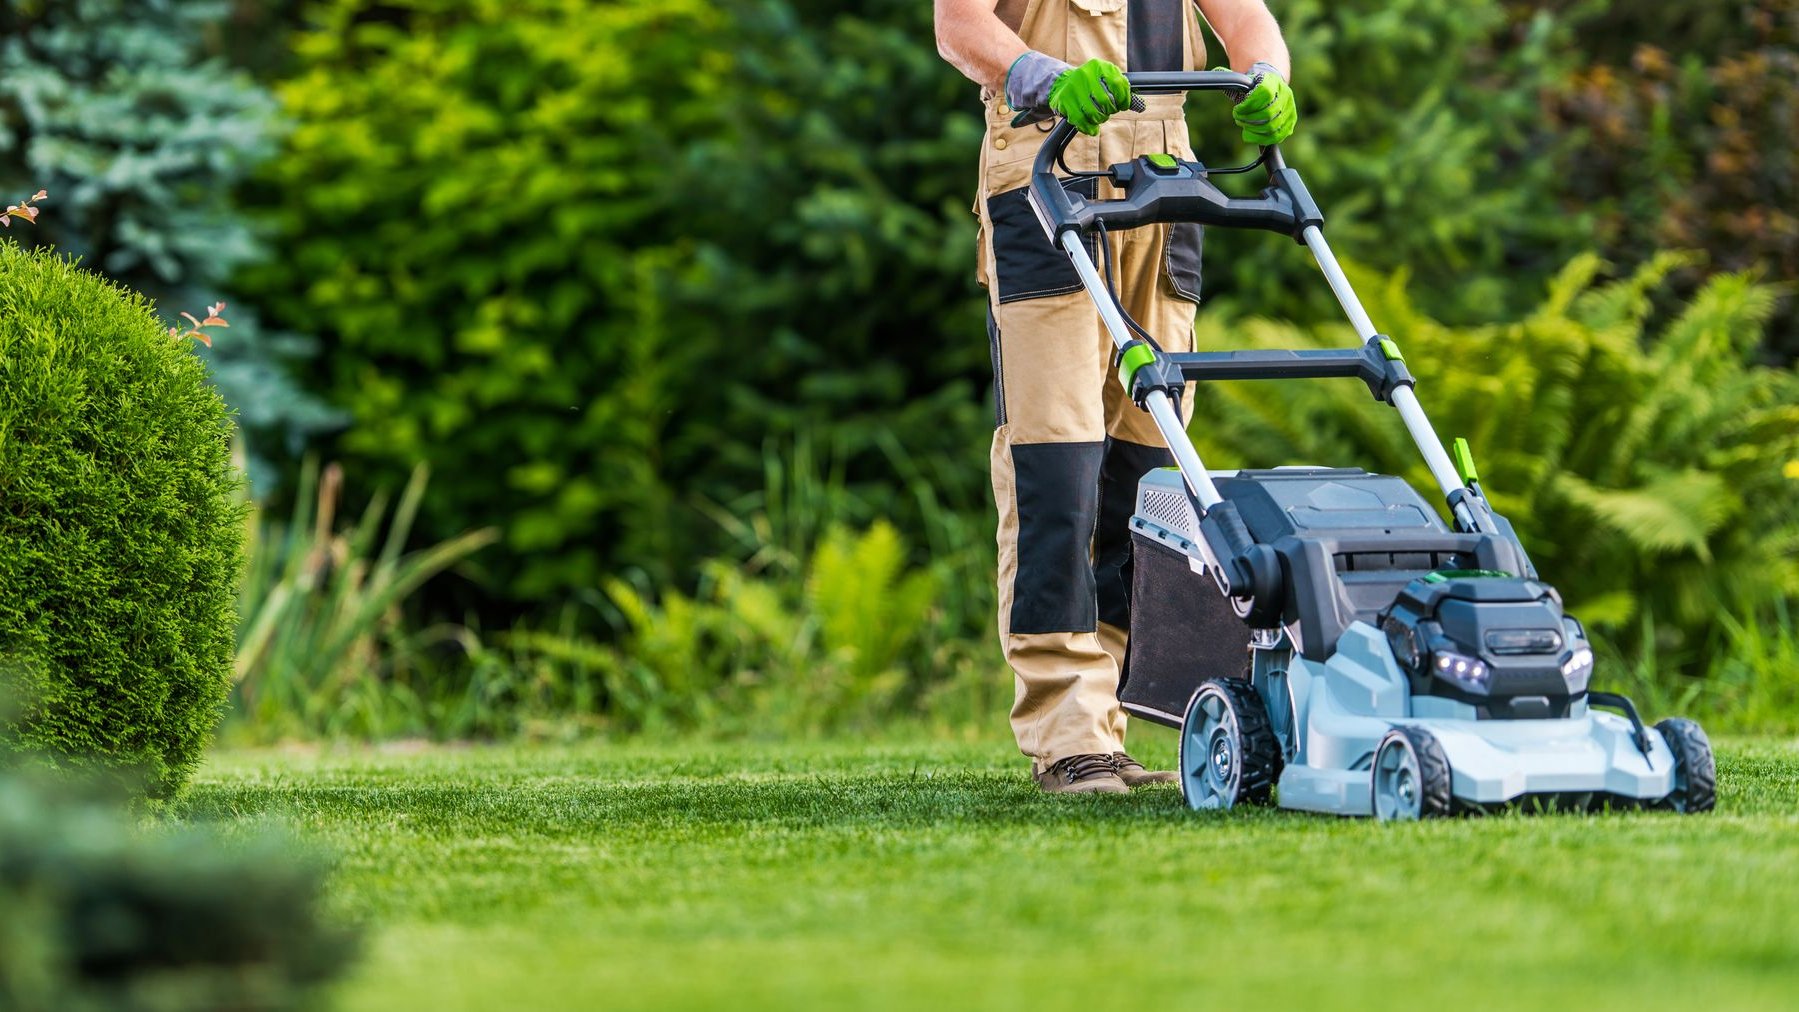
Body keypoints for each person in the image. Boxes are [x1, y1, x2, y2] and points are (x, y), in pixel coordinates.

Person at [933, 0, 1299, 794]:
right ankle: (1067, 732)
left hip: (1163, 184)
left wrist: (1268, 76)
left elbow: (1248, 22)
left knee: (1148, 471)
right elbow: (957, 25)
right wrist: (1041, 76)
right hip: (1046, 168)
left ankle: (1111, 727)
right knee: (1055, 463)